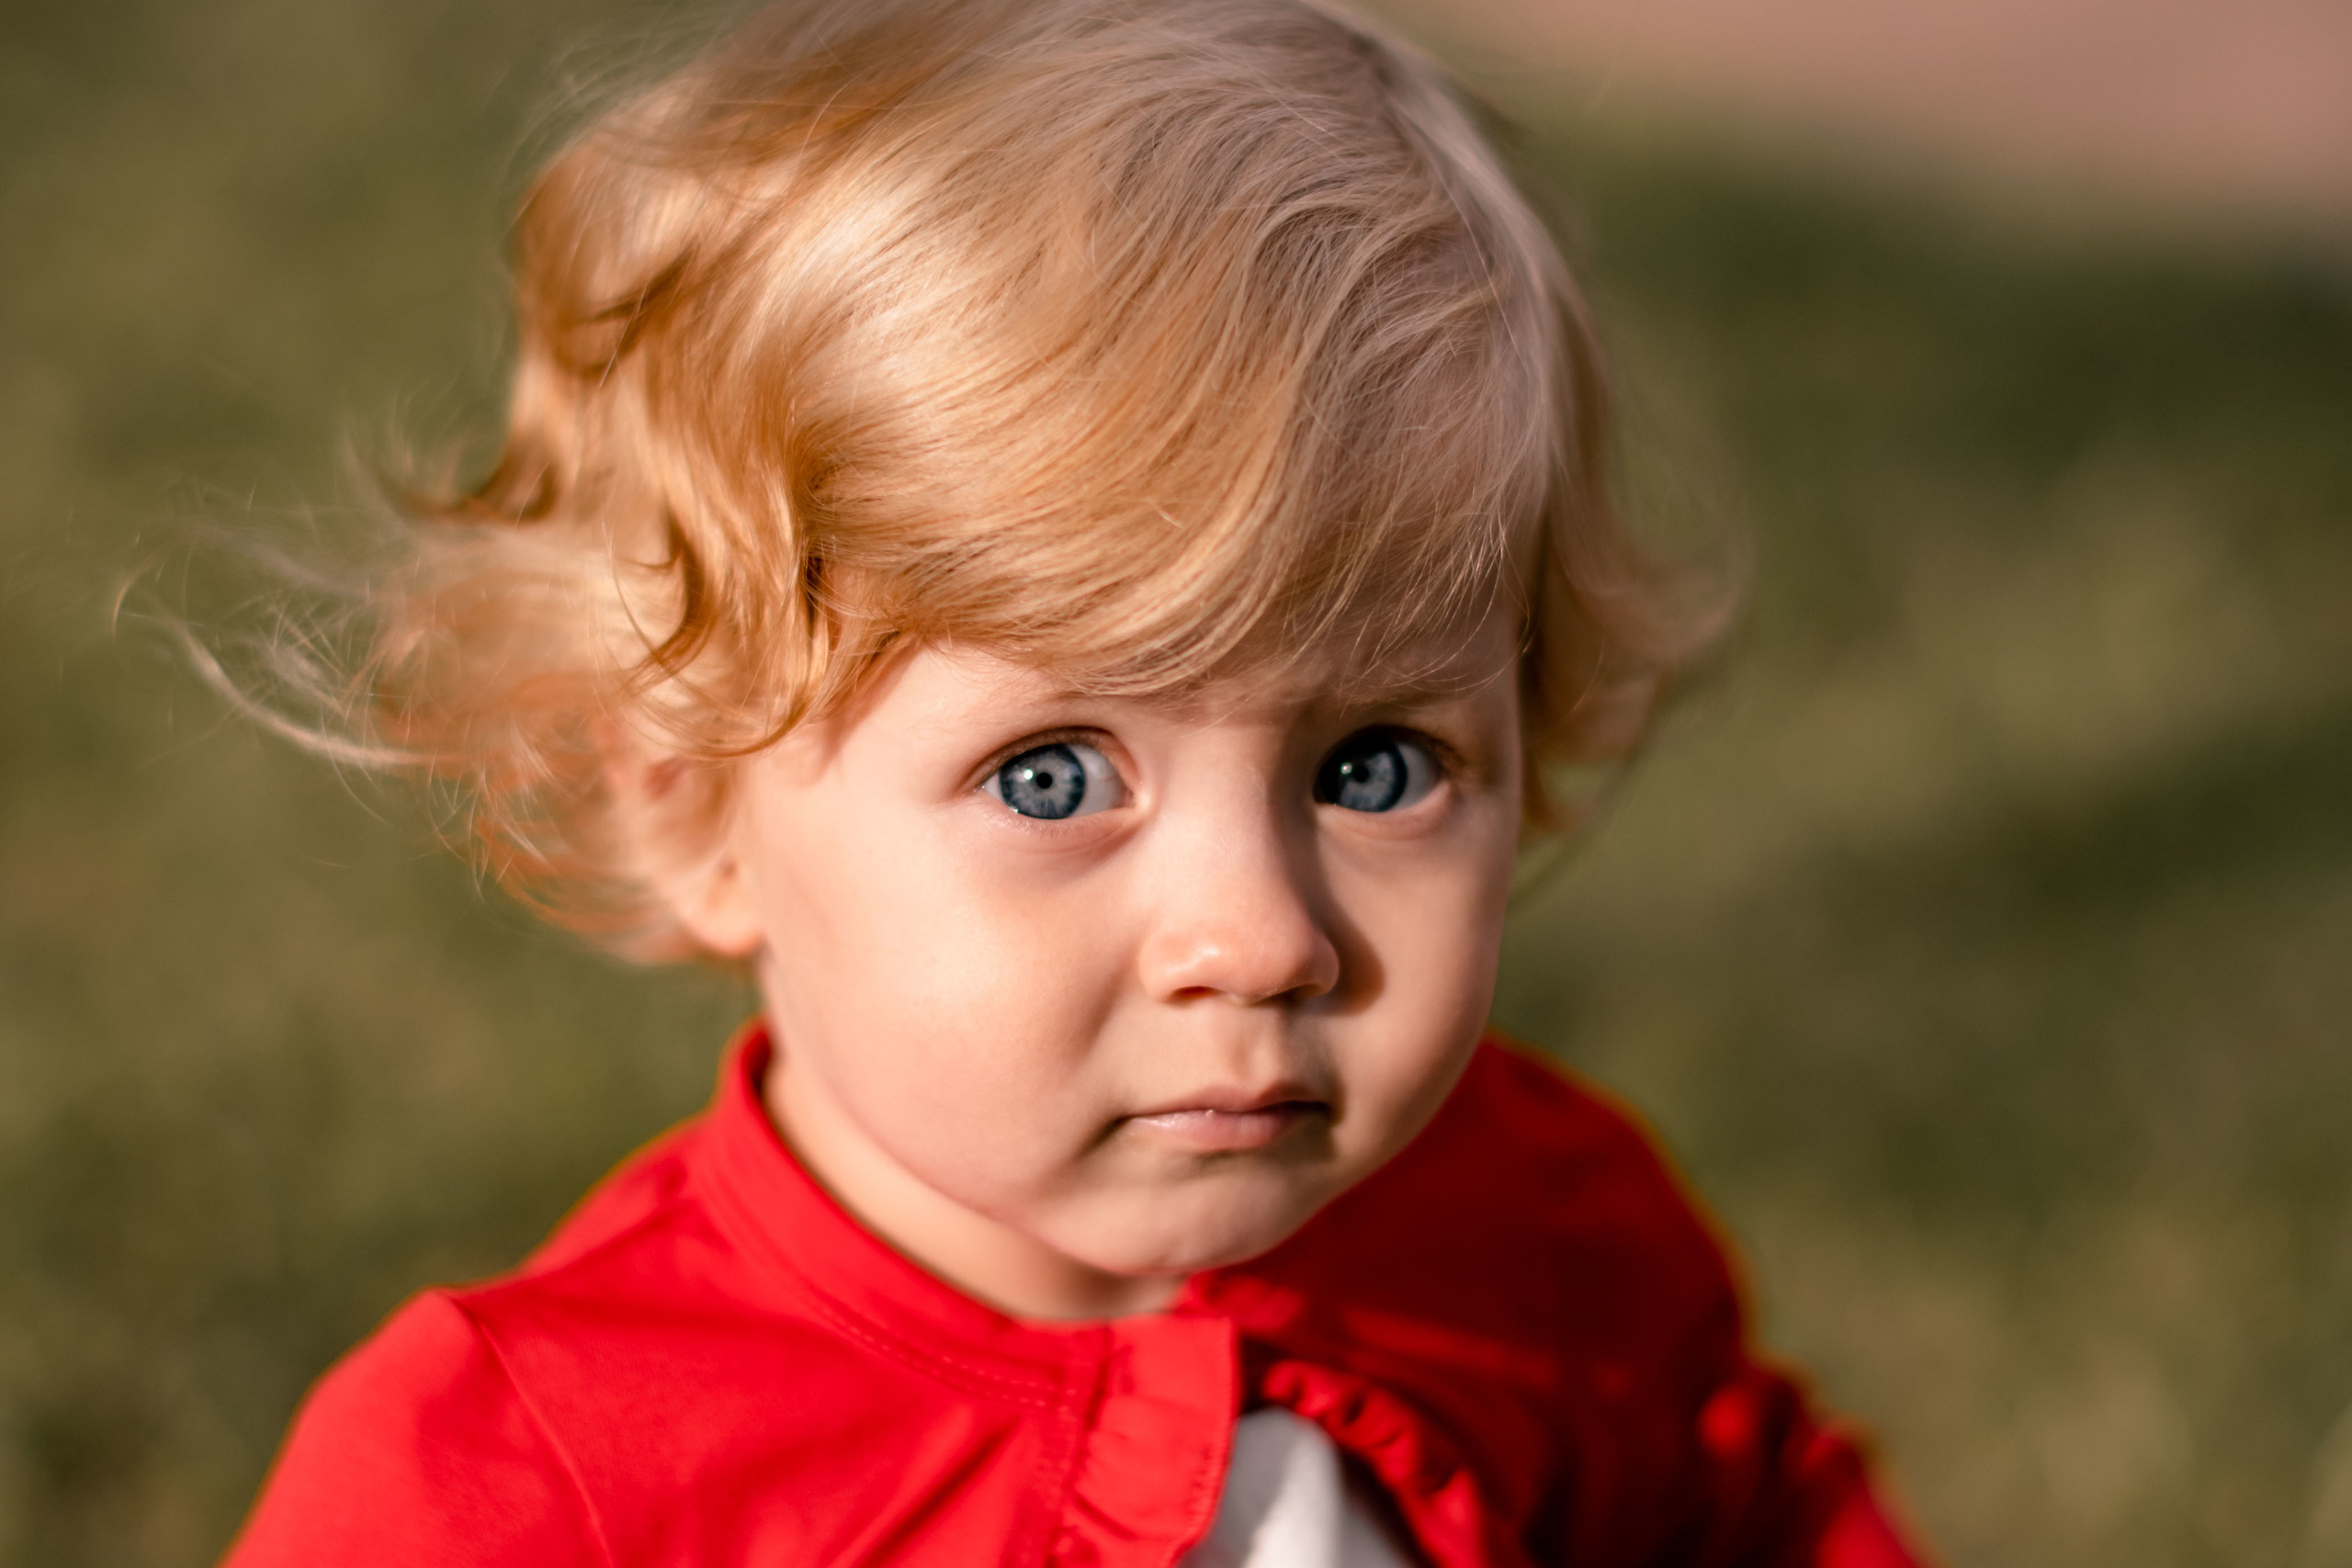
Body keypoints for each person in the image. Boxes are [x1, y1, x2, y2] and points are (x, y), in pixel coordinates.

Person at [220, 0, 1930, 1562]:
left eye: (1376, 766)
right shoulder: (521, 1479)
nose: (1259, 938)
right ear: (690, 807)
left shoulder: (1543, 1243)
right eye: (1050, 778)